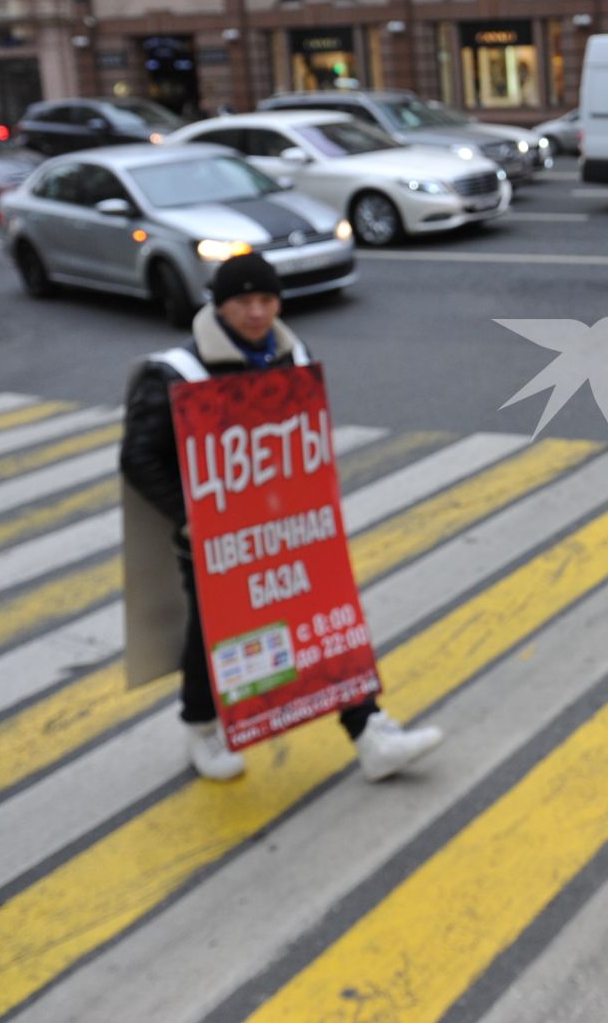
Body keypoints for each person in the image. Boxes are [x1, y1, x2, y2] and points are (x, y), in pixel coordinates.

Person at [119, 253, 445, 784]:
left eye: (266, 300)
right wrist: (188, 518)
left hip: (289, 532)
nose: (256, 312)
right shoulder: (177, 372)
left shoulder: (294, 356)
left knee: (325, 623)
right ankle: (201, 727)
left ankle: (370, 733)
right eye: (243, 301)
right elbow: (138, 457)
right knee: (213, 634)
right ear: (219, 305)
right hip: (215, 541)